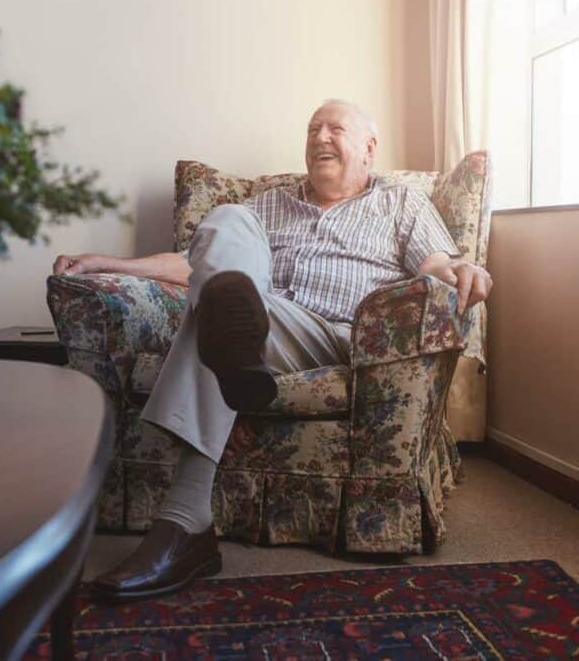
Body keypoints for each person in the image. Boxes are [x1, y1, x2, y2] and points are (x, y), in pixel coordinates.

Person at [52, 99, 493, 602]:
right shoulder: (266, 205)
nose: (320, 137)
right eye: (312, 129)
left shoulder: (401, 203)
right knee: (224, 244)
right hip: (264, 320)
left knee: (212, 309)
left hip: (337, 336)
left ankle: (184, 524)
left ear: (370, 148)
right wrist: (109, 264)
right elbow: (189, 262)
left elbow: (434, 262)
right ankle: (232, 351)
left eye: (335, 129)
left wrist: (461, 268)